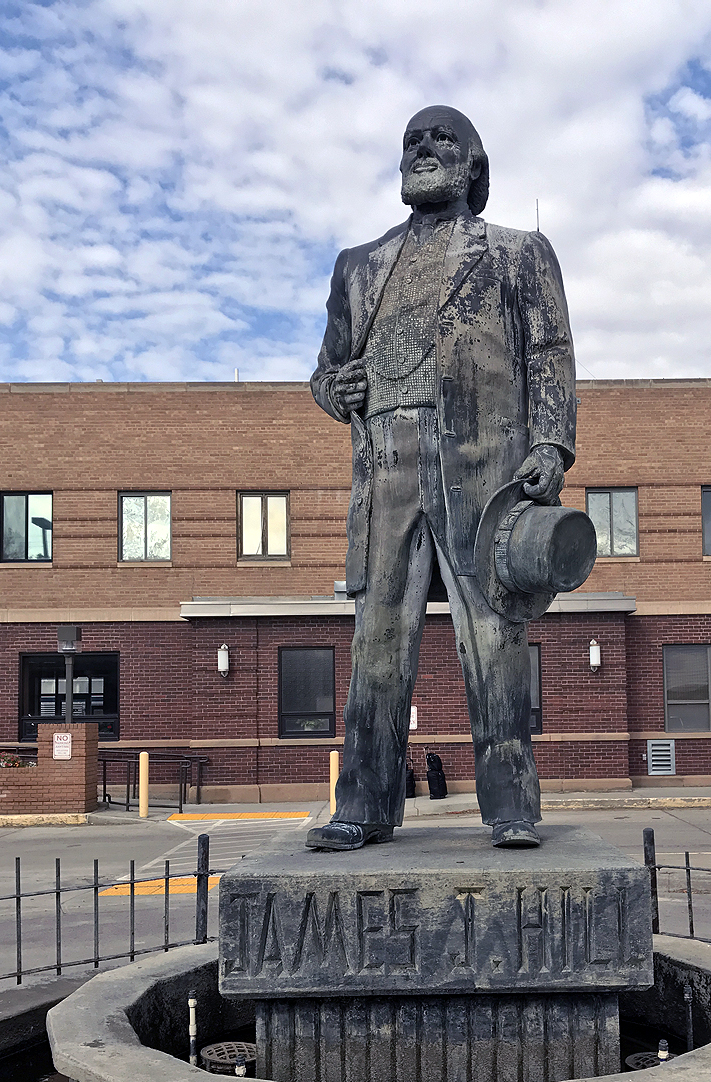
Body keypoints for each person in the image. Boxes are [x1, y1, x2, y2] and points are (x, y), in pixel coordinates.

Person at [306, 105, 576, 851]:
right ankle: (361, 803)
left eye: (441, 138)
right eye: (412, 140)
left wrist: (551, 445)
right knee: (379, 642)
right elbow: (325, 372)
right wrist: (340, 390)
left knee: (494, 638)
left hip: (483, 472)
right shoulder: (357, 266)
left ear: (474, 165)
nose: (423, 148)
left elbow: (548, 353)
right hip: (387, 472)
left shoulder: (519, 254)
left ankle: (512, 804)